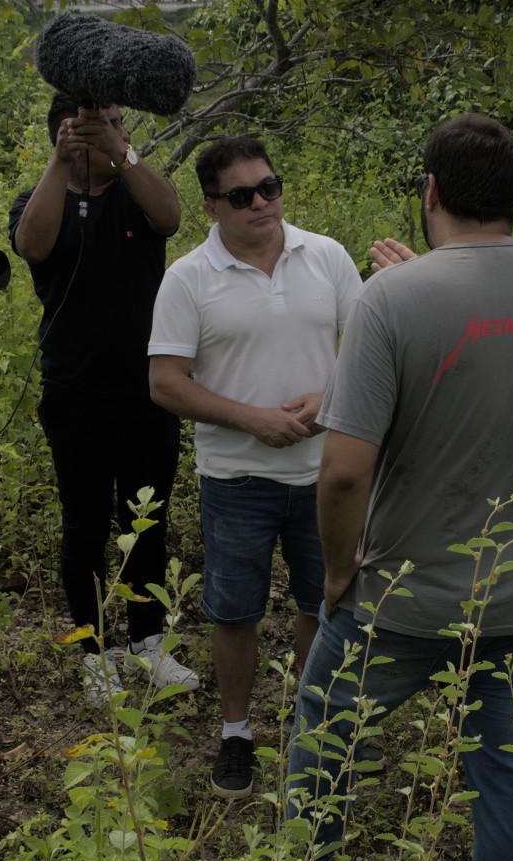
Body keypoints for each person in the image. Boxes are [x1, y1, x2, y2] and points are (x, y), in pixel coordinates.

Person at [284, 113, 513, 861]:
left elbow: (343, 472)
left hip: (406, 600)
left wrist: (338, 571)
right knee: (512, 782)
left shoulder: (393, 300)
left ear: (429, 192)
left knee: (327, 743)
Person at [149, 136, 363, 796]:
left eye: (269, 186)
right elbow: (164, 382)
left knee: (321, 602)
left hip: (325, 472)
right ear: (211, 207)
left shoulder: (325, 257)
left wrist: (330, 403)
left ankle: (308, 726)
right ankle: (236, 733)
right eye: (241, 196)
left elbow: (368, 354)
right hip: (235, 478)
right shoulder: (188, 277)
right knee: (234, 612)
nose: (261, 203)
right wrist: (253, 418)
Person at [9, 94, 200, 704]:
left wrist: (124, 153)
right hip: (74, 391)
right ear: (63, 134)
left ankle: (148, 644)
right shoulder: (41, 198)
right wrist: (60, 164)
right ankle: (94, 654)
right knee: (84, 526)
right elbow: (32, 246)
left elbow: (170, 218)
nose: (116, 132)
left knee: (146, 521)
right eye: (103, 126)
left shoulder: (135, 190)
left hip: (149, 388)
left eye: (120, 123)